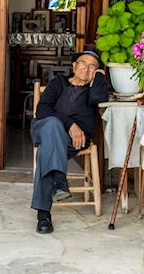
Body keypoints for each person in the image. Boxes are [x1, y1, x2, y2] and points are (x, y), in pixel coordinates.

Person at [30, 46, 109, 234]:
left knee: (45, 152)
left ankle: (44, 215)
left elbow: (99, 96)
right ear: (74, 65)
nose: (87, 69)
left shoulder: (93, 91)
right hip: (43, 129)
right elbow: (42, 110)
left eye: (93, 66)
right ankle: (59, 180)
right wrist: (69, 124)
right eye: (83, 63)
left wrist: (99, 76)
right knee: (52, 124)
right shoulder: (58, 82)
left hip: (72, 141)